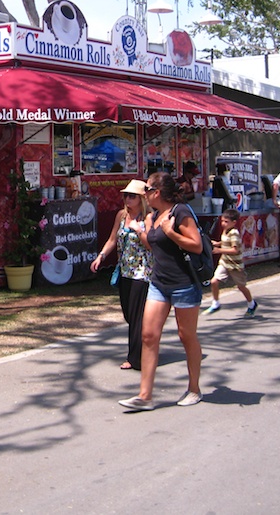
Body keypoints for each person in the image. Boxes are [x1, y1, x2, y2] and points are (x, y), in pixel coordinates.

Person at [118, 172, 203, 411]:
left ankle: (194, 388)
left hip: (183, 284)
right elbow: (152, 245)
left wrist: (171, 232)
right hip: (158, 282)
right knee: (148, 335)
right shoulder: (153, 216)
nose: (142, 194)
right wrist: (141, 230)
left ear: (157, 193)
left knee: (186, 337)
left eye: (146, 189)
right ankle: (145, 396)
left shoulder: (180, 212)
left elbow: (196, 245)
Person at [91, 179, 153, 370]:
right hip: (125, 270)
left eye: (132, 196)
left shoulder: (148, 217)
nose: (127, 199)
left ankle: (135, 358)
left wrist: (138, 230)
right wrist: (101, 256)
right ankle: (144, 349)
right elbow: (112, 239)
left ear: (142, 198)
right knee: (128, 313)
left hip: (142, 272)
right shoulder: (121, 215)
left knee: (136, 316)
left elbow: (151, 244)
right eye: (126, 195)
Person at [204, 208, 258, 317]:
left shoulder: (234, 233)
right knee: (214, 281)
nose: (223, 224)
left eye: (226, 222)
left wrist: (219, 250)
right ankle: (215, 303)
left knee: (241, 286)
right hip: (224, 262)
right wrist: (218, 243)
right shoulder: (225, 231)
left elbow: (235, 250)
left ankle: (251, 303)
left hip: (235, 265)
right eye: (222, 221)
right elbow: (225, 242)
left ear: (234, 222)